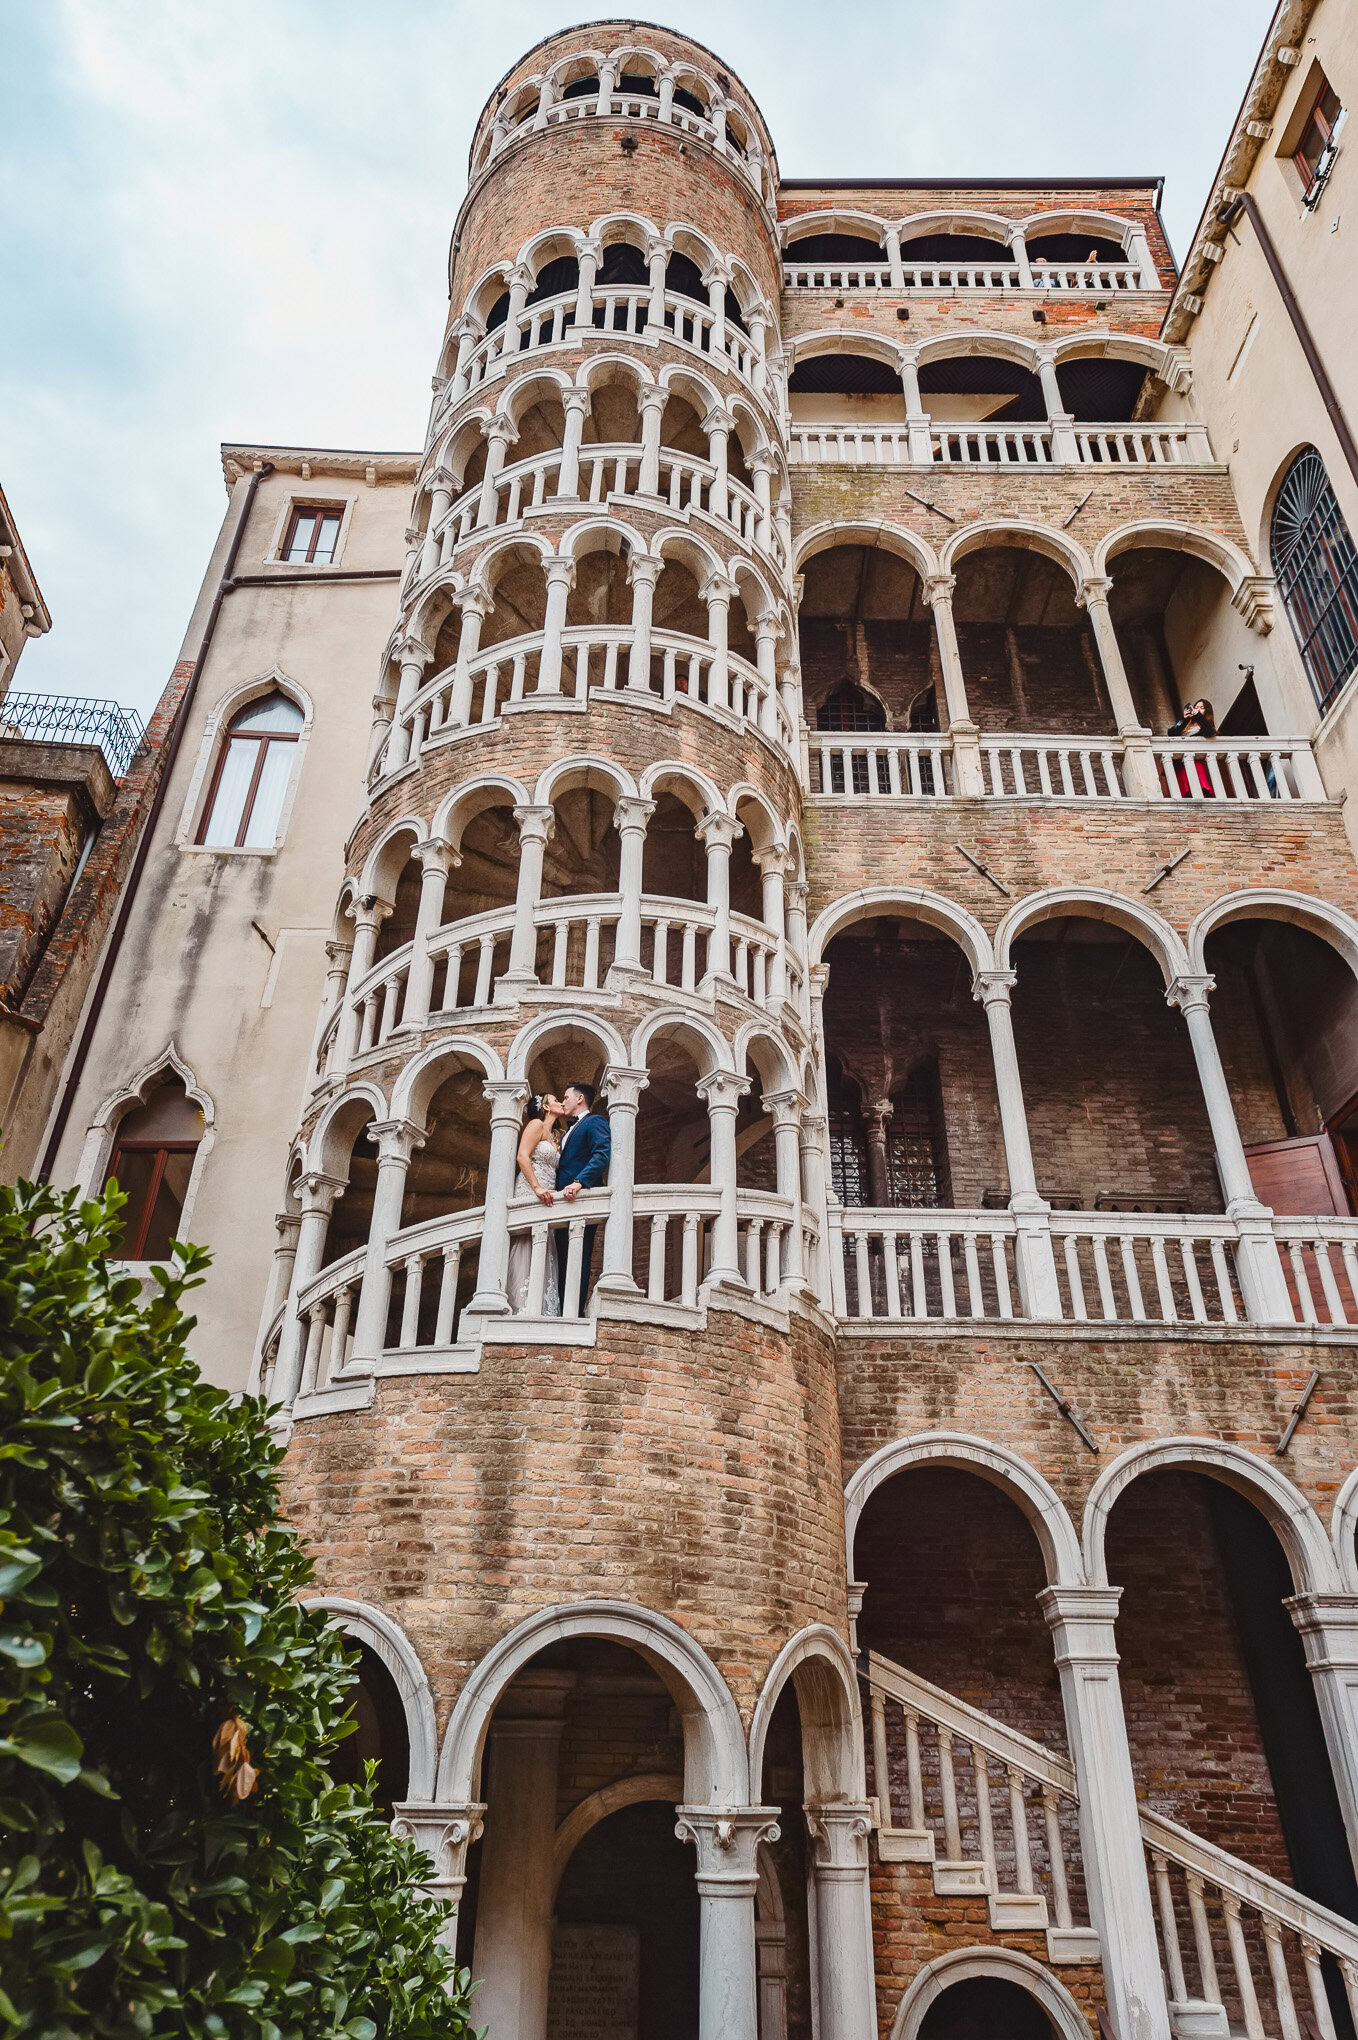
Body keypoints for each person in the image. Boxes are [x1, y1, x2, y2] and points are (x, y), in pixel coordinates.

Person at [552, 1082, 611, 1316]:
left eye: (565, 1097)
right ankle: (560, 1309)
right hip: (561, 1204)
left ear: (579, 1099)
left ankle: (573, 1312)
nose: (562, 1101)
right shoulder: (568, 1131)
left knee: (579, 1257)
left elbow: (601, 1154)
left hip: (580, 1199)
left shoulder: (594, 1122)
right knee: (562, 1258)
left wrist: (579, 1182)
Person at [506, 1095, 563, 1315]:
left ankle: (540, 1307)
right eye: (556, 1100)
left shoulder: (555, 1134)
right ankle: (520, 1305)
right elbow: (522, 1156)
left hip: (548, 1191)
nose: (560, 1102)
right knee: (525, 1243)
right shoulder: (536, 1124)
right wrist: (537, 1188)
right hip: (531, 1188)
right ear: (546, 1107)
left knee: (543, 1242)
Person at [1166, 698, 1217, 796]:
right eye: (1196, 707)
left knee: (1198, 787)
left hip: (1195, 759)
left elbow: (1210, 732)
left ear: (1207, 711)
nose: (1197, 709)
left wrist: (1198, 716)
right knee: (1184, 791)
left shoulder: (1205, 724)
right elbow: (1171, 732)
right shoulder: (1187, 724)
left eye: (1201, 708)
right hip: (1181, 761)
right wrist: (1184, 719)